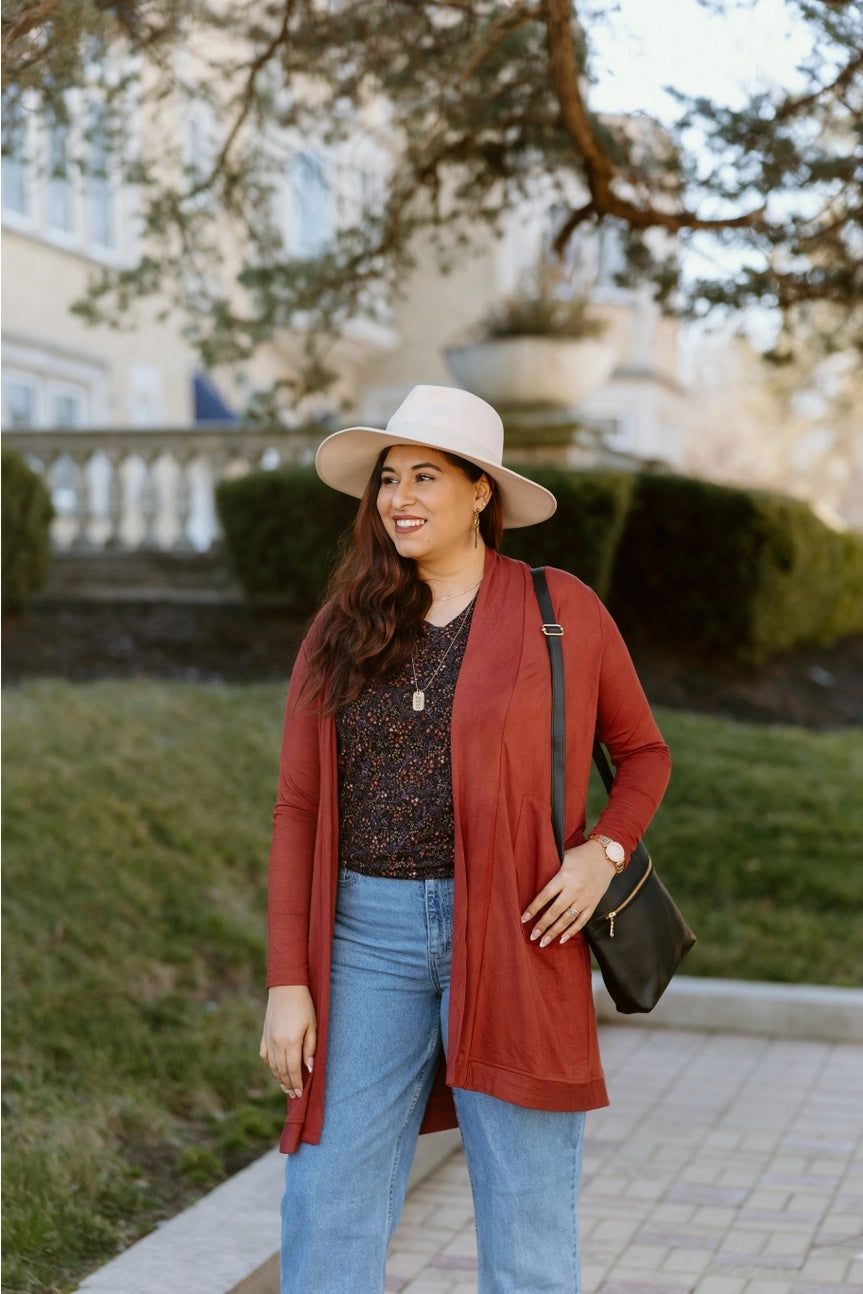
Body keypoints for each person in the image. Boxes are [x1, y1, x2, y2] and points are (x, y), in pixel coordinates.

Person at [260, 384, 671, 1293]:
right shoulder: (343, 626)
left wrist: (599, 855)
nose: (398, 498)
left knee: (527, 1219)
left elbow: (642, 754)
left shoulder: (558, 609)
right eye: (387, 480)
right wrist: (288, 982)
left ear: (481, 490)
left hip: (521, 932)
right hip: (367, 937)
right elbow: (296, 808)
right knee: (326, 1199)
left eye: (425, 477)